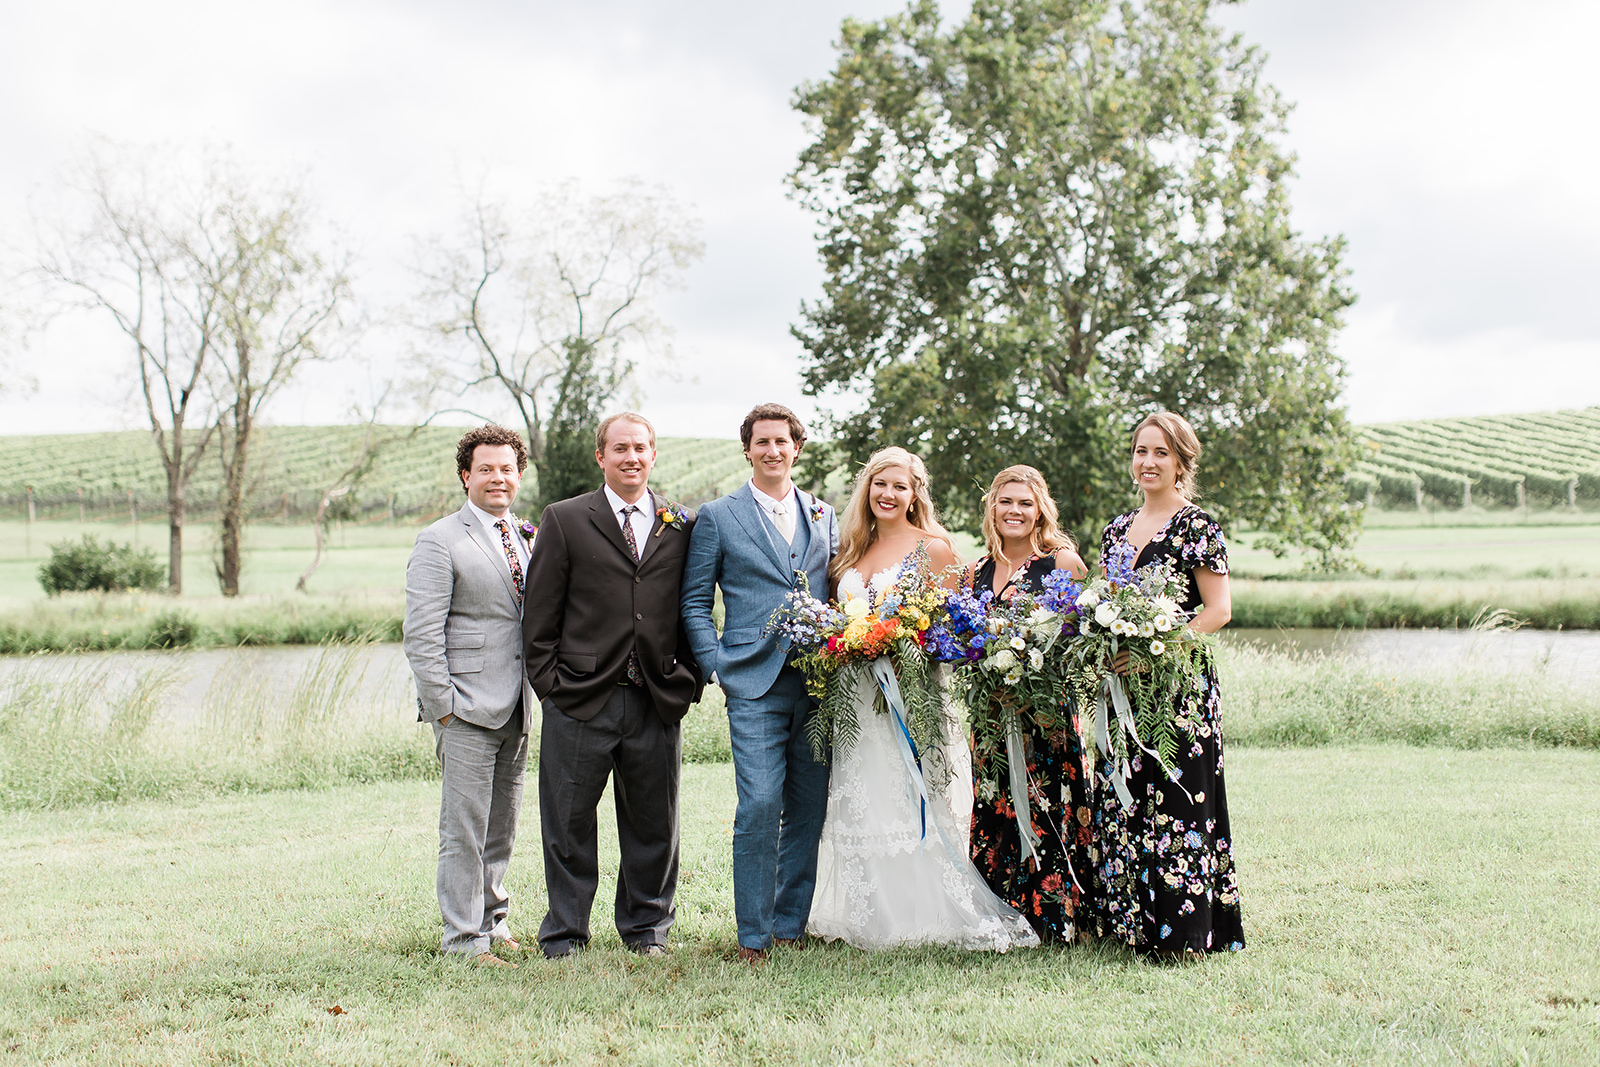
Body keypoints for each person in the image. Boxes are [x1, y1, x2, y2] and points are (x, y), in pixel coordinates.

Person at [806, 446, 1039, 951]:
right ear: (866, 489)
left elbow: (949, 630)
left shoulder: (933, 547)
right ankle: (865, 914)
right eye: (879, 484)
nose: (888, 494)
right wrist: (849, 639)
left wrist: (898, 639)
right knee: (861, 794)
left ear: (915, 495)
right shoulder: (849, 549)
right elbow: (836, 618)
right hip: (855, 694)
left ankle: (920, 914)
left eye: (899, 486)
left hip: (911, 695)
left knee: (904, 795)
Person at [522, 412, 703, 959]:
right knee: (568, 822)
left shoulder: (681, 524)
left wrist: (688, 680)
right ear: (601, 457)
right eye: (619, 448)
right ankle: (566, 933)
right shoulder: (566, 518)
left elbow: (692, 606)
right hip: (580, 696)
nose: (631, 457)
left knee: (654, 823)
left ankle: (647, 930)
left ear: (653, 455)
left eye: (641, 448)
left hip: (655, 696)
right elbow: (540, 614)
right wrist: (551, 686)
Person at [681, 403, 839, 965]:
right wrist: (716, 662)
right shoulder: (718, 516)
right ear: (747, 449)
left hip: (820, 683)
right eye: (762, 442)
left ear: (797, 448)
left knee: (808, 804)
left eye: (783, 441)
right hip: (752, 680)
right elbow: (696, 601)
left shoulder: (823, 514)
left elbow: (836, 589)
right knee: (760, 803)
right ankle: (752, 935)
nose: (773, 451)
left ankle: (790, 923)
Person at [1092, 411, 1245, 957]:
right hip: (1122, 688)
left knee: (1181, 799)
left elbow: (1218, 610)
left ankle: (1185, 932)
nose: (1148, 462)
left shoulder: (1198, 526)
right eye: (1140, 451)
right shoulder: (1115, 530)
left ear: (1182, 461)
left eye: (1160, 452)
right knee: (1126, 796)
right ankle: (1132, 925)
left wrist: (1157, 649)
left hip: (1179, 687)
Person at [403, 425, 536, 968]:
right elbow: (420, 633)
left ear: (519, 474)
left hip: (518, 704)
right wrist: (444, 706)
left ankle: (492, 920)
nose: (497, 478)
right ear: (466, 475)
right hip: (465, 708)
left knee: (502, 822)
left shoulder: (526, 536)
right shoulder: (440, 539)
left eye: (507, 469)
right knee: (464, 827)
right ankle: (462, 940)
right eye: (486, 469)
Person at [961, 465, 1093, 944]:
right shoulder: (975, 571)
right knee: (995, 804)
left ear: (1040, 511)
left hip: (1044, 713)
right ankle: (1000, 912)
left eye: (1025, 503)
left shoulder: (1061, 562)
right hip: (991, 716)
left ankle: (1058, 918)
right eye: (1006, 501)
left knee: (1047, 805)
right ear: (992, 508)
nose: (1014, 511)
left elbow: (1078, 641)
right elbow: (963, 643)